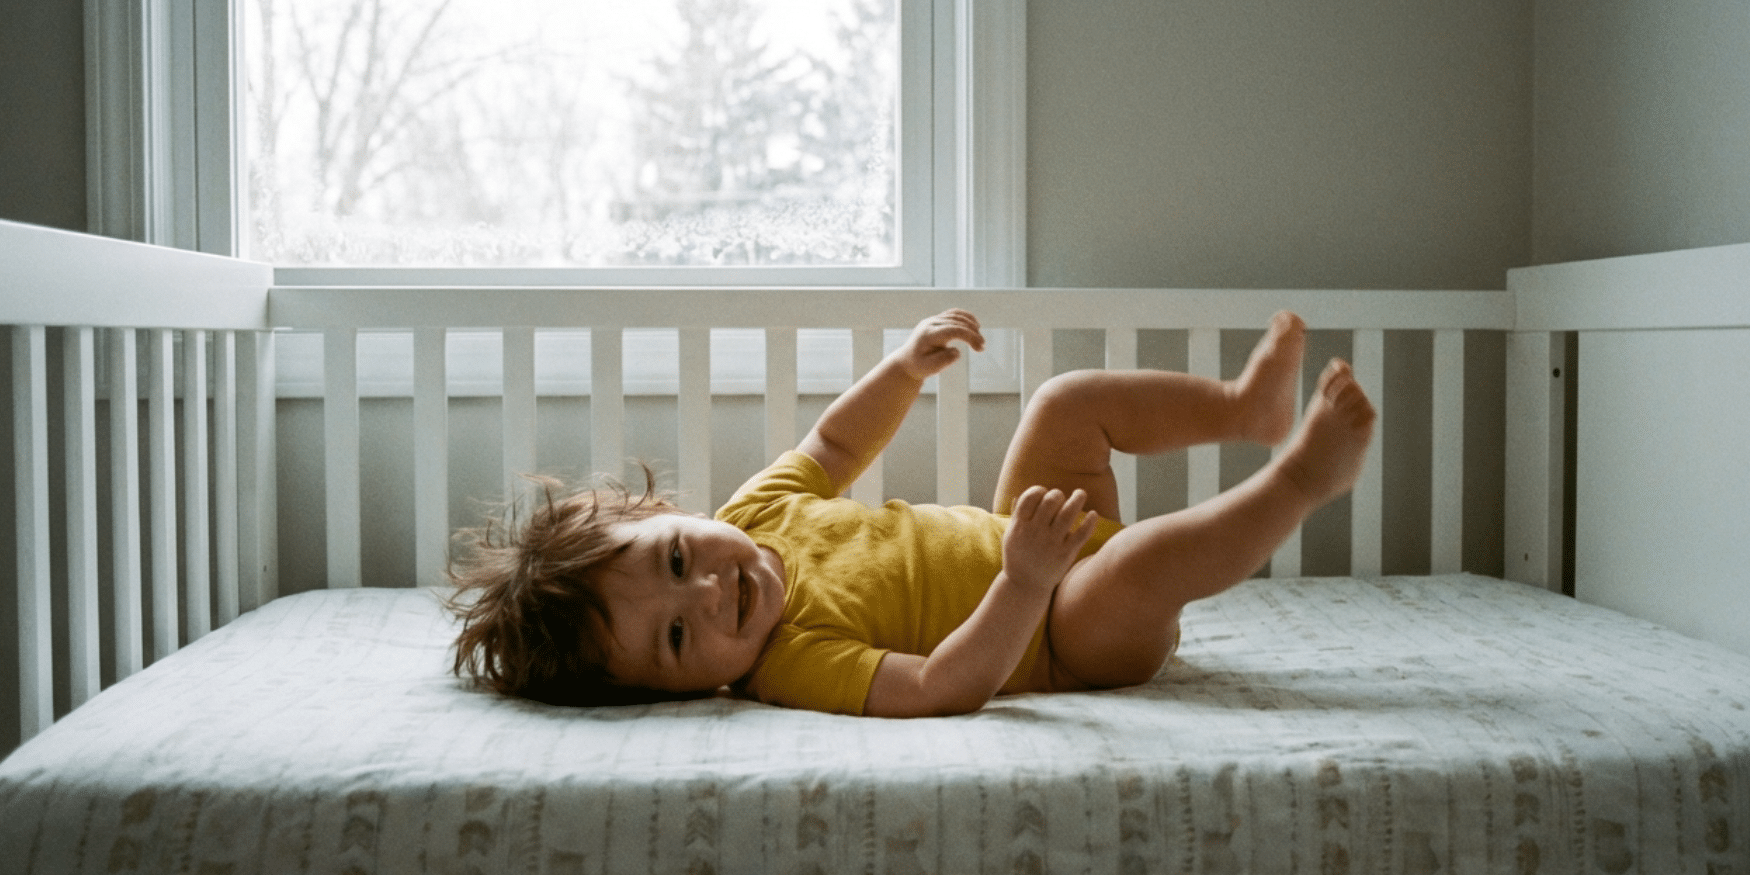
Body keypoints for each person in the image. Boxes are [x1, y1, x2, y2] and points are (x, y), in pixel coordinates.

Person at [448, 309, 1374, 717]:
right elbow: (940, 688)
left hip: (1037, 533)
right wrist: (1024, 584)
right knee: (1138, 572)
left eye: (680, 561)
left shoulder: (757, 510)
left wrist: (903, 370)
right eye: (681, 641)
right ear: (673, 695)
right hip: (1063, 636)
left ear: (663, 512)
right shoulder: (790, 665)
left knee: (1061, 404)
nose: (713, 596)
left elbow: (837, 447)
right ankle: (1300, 483)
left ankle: (1241, 409)